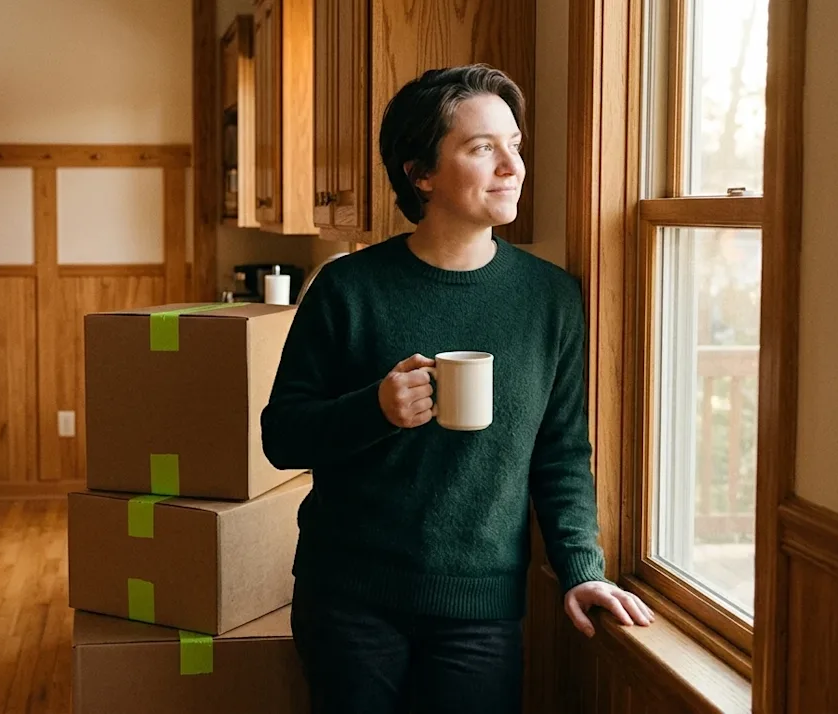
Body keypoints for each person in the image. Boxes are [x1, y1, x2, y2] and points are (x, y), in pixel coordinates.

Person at [259, 64, 653, 714]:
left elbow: (560, 454)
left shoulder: (550, 298)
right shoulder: (347, 289)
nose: (512, 165)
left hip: (482, 610)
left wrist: (582, 569)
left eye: (515, 145)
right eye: (481, 148)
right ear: (421, 173)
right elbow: (282, 436)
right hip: (349, 603)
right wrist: (376, 409)